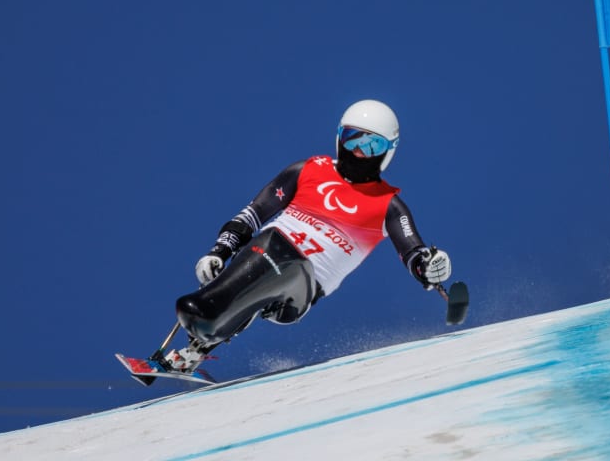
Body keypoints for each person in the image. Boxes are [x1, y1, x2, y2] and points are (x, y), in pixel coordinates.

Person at [159, 99, 453, 372]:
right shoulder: (308, 170)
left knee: (275, 249)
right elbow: (253, 213)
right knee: (267, 241)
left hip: (303, 286)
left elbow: (413, 251)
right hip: (264, 254)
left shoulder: (388, 204)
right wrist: (219, 251)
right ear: (339, 137)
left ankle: (208, 317)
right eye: (353, 138)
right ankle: (198, 343)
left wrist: (429, 267)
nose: (359, 152)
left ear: (387, 152)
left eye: (372, 145)